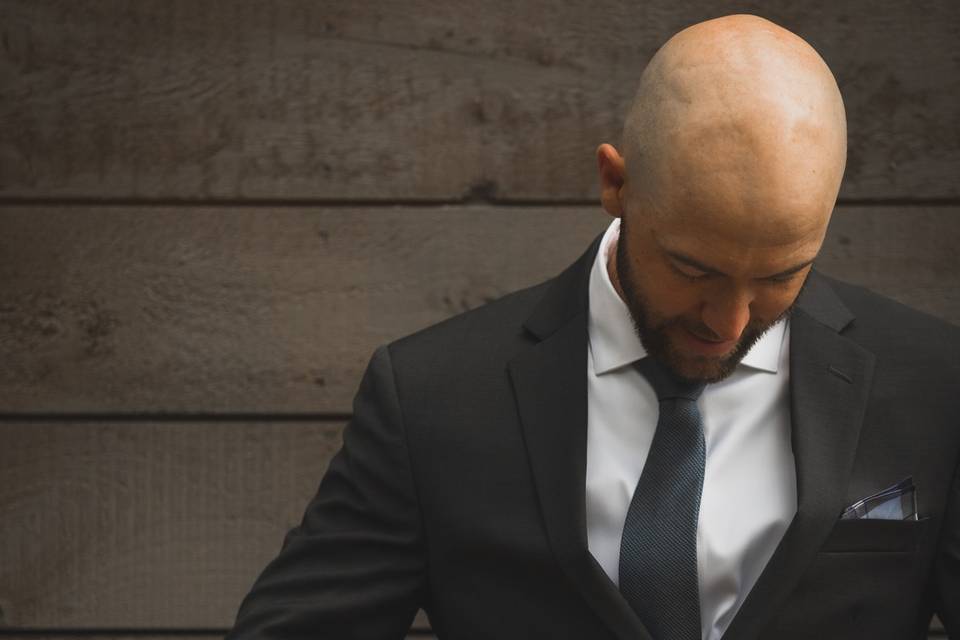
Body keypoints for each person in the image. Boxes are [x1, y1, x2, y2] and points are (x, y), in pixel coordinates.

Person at [226, 14, 959, 640]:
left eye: (779, 277)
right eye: (693, 269)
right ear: (615, 182)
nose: (730, 322)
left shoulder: (936, 388)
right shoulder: (430, 400)